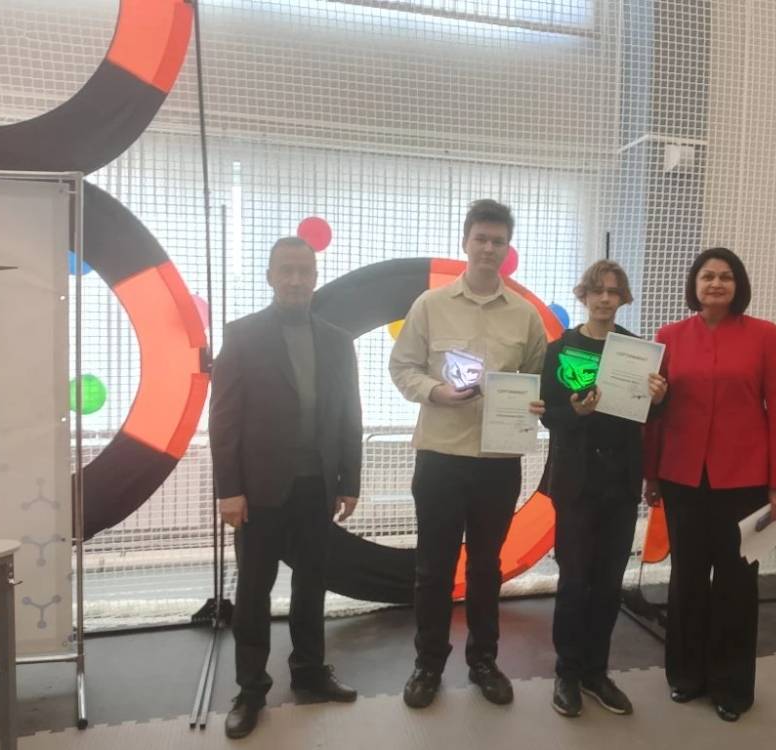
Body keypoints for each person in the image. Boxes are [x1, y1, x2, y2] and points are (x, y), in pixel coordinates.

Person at [389, 199, 548, 709]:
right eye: (481, 238)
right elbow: (402, 367)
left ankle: (483, 662)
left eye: (498, 241)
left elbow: (538, 378)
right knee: (433, 570)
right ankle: (428, 665)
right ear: (465, 241)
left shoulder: (524, 315)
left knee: (485, 567)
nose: (488, 248)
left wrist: (537, 402)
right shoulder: (430, 305)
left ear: (507, 249)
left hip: (499, 463)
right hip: (440, 457)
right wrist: (437, 392)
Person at [209, 237, 363, 739]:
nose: (296, 280)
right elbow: (224, 421)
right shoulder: (242, 335)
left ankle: (310, 671)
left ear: (315, 277)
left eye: (305, 271)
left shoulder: (338, 340)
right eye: (287, 270)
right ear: (270, 276)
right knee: (254, 591)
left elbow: (349, 414)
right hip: (257, 491)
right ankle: (251, 689)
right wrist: (229, 489)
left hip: (317, 485)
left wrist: (350, 480)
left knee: (312, 584)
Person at [643, 247, 776, 722]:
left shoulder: (765, 336)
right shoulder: (668, 337)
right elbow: (654, 412)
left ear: (738, 285)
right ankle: (685, 675)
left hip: (745, 481)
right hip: (682, 478)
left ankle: (732, 685)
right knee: (687, 578)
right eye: (707, 276)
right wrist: (651, 474)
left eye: (725, 277)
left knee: (736, 583)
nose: (715, 284)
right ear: (694, 285)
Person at [540, 260, 667, 718]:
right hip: (575, 481)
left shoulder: (638, 352)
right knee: (575, 579)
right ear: (585, 295)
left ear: (623, 298)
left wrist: (659, 398)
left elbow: (649, 416)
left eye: (614, 291)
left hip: (620, 482)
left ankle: (596, 672)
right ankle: (567, 672)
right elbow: (547, 414)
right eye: (597, 290)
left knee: (609, 583)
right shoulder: (560, 349)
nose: (605, 298)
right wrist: (574, 412)